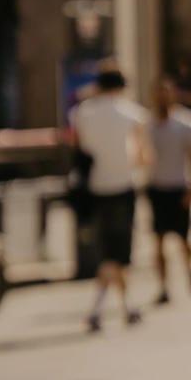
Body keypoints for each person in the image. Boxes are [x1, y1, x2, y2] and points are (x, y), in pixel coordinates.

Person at [73, 62, 148, 332]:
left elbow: (81, 144)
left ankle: (116, 308)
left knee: (109, 251)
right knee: (118, 254)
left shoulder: (83, 113)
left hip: (96, 188)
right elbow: (142, 156)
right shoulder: (133, 115)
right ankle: (109, 309)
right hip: (124, 186)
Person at [146, 76, 191, 304]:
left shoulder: (186, 123)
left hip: (179, 186)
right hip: (156, 187)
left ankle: (190, 270)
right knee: (158, 240)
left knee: (184, 239)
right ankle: (163, 287)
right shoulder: (148, 123)